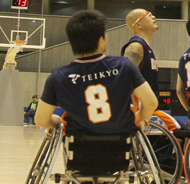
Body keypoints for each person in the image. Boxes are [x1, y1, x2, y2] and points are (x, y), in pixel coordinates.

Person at [34, 10, 158, 138]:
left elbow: (41, 121)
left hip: (79, 150)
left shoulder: (57, 77)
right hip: (120, 147)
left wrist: (57, 121)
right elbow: (151, 103)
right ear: (101, 40)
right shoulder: (124, 65)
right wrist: (137, 117)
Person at [122, 9, 181, 131]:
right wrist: (138, 114)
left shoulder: (145, 46)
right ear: (138, 25)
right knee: (181, 131)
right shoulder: (136, 46)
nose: (153, 16)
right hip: (141, 109)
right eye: (147, 14)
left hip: (149, 108)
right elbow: (124, 78)